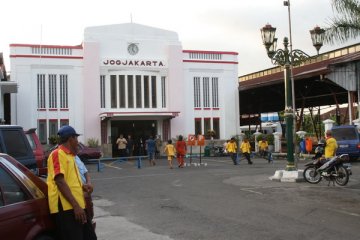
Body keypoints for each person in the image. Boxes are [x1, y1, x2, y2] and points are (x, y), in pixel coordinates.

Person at [47, 125, 95, 240]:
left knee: (90, 237)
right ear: (70, 139)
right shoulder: (57, 154)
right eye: (76, 138)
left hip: (78, 206)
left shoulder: (71, 156)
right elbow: (60, 181)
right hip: (66, 209)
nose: (78, 142)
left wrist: (83, 187)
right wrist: (76, 206)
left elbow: (70, 181)